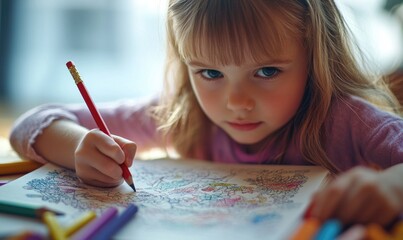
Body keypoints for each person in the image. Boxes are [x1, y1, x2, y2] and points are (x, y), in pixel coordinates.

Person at [9, 0, 403, 227]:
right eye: (211, 73)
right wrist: (80, 145)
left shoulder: (347, 120)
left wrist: (392, 186)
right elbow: (29, 126)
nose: (236, 102)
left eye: (266, 71)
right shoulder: (182, 113)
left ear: (316, 60)